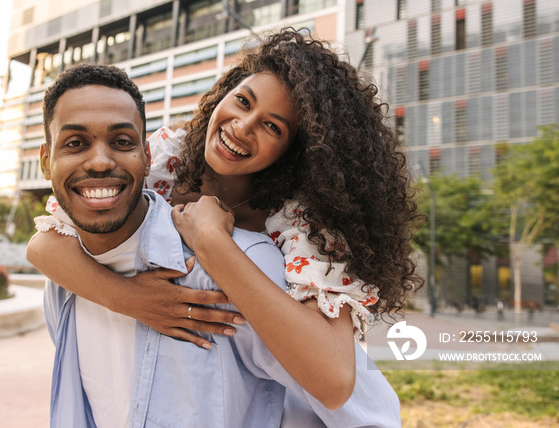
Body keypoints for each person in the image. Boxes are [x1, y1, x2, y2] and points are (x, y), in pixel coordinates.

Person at [37, 62, 401, 427]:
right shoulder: (168, 156)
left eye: (272, 126)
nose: (242, 126)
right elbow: (44, 244)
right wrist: (133, 300)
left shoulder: (301, 228)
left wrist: (213, 243)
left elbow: (337, 382)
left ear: (294, 152)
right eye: (243, 101)